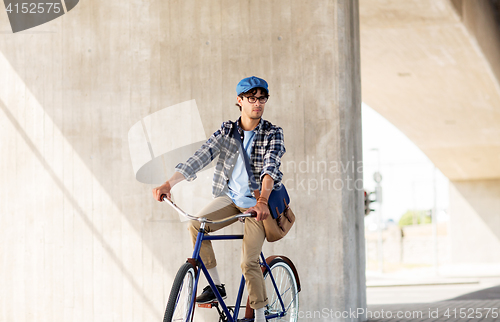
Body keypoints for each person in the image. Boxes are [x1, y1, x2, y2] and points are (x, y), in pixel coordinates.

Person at [152, 76, 286, 322]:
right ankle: (216, 288)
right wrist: (168, 183)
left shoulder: (272, 133)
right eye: (251, 98)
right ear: (240, 100)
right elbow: (201, 157)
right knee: (196, 224)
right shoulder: (227, 131)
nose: (257, 103)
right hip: (230, 199)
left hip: (256, 206)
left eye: (262, 98)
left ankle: (257, 315)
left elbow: (270, 168)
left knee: (248, 262)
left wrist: (263, 201)